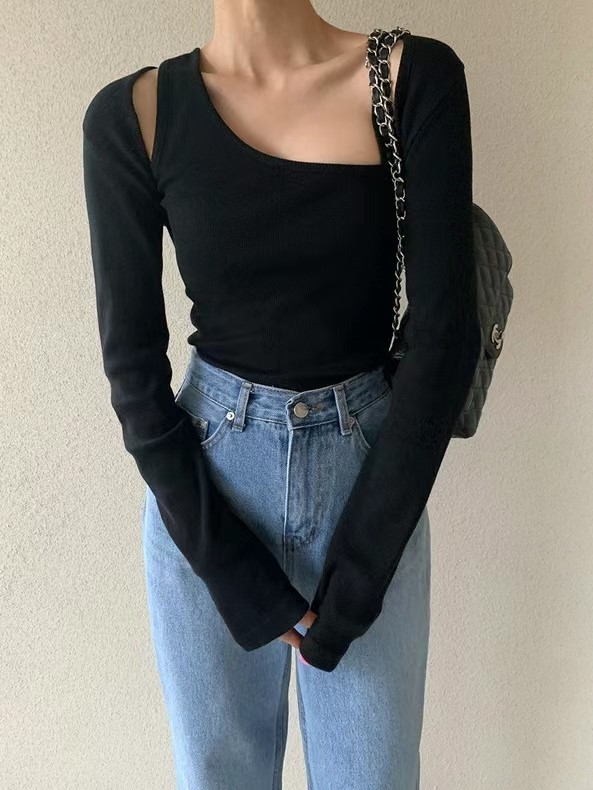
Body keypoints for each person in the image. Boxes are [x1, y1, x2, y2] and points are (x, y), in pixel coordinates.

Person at [81, 2, 481, 787]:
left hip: (372, 483)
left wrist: (359, 573)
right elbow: (132, 370)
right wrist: (230, 569)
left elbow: (445, 338)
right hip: (208, 491)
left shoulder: (411, 79)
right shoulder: (134, 117)